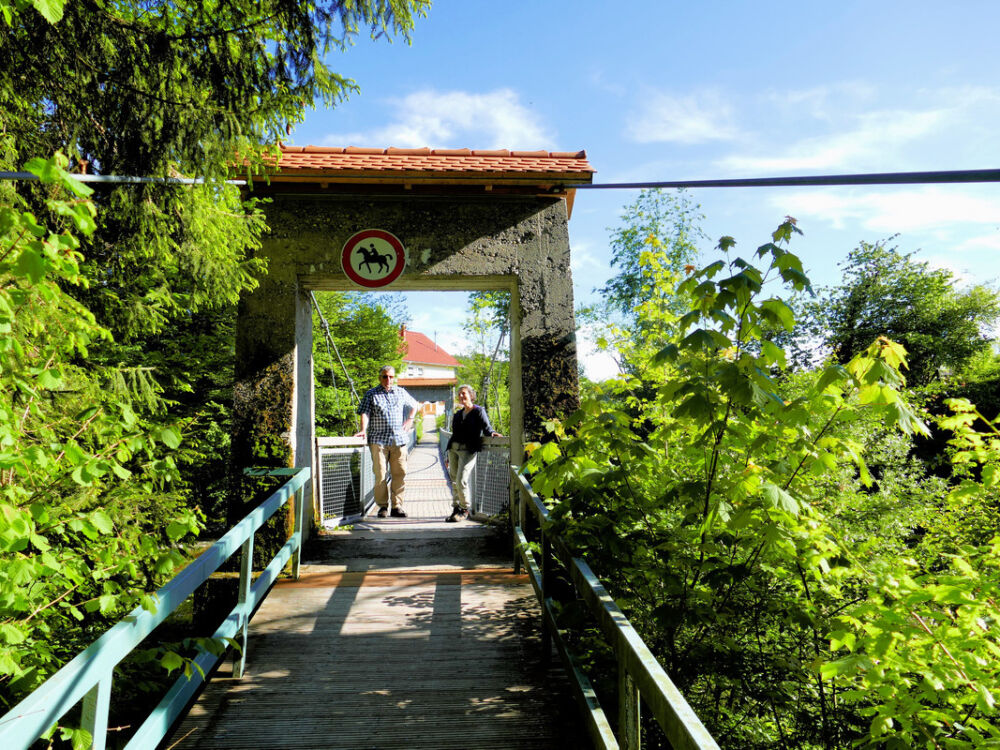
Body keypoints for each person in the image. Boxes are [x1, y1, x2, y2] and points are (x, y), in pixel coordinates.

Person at [354, 365, 422, 518]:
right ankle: (383, 506)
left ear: (394, 377)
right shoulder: (371, 394)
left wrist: (410, 419)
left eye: (391, 377)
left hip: (399, 440)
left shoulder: (400, 392)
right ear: (380, 377)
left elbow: (415, 405)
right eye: (385, 376)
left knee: (400, 473)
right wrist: (363, 430)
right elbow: (364, 412)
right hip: (378, 440)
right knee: (380, 474)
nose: (388, 379)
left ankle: (397, 506)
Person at [444, 384, 501, 522]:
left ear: (471, 395)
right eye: (460, 394)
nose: (461, 396)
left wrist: (492, 433)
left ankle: (465, 509)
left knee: (461, 480)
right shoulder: (458, 414)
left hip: (468, 450)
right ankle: (456, 508)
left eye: (464, 393)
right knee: (454, 481)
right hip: (453, 449)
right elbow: (454, 434)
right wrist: (447, 454)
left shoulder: (478, 411)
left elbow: (487, 428)